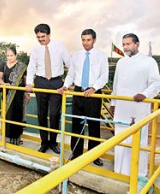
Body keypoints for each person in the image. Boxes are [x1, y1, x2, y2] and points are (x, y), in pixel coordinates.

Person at [110, 33, 160, 177]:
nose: (125, 47)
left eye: (128, 44)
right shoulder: (121, 62)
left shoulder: (148, 61)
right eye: (124, 44)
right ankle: (119, 171)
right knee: (119, 139)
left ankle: (138, 173)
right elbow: (116, 84)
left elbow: (156, 83)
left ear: (137, 44)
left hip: (138, 108)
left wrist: (145, 94)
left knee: (138, 140)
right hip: (121, 108)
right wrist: (113, 103)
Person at [58, 29, 109, 166]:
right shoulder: (77, 56)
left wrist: (94, 88)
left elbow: (104, 76)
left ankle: (94, 155)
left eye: (88, 40)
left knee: (93, 124)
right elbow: (71, 75)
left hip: (93, 92)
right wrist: (65, 86)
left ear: (94, 40)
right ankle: (76, 152)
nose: (85, 43)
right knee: (76, 124)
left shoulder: (101, 56)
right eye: (83, 40)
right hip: (78, 92)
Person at [26, 23, 71, 154]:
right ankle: (44, 143)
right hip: (40, 82)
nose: (40, 39)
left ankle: (53, 142)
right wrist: (29, 83)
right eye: (38, 37)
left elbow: (70, 65)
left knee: (54, 114)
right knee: (41, 114)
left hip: (56, 82)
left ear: (49, 34)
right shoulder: (35, 50)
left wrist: (66, 84)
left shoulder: (60, 46)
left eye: (43, 36)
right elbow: (31, 67)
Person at [0, 47, 30, 145]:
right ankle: (7, 139)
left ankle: (17, 139)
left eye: (11, 55)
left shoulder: (22, 66)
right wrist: (3, 84)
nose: (9, 58)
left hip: (18, 95)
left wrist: (27, 94)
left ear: (16, 55)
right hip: (7, 94)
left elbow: (25, 80)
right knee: (7, 115)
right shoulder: (3, 65)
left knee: (17, 115)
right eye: (8, 56)